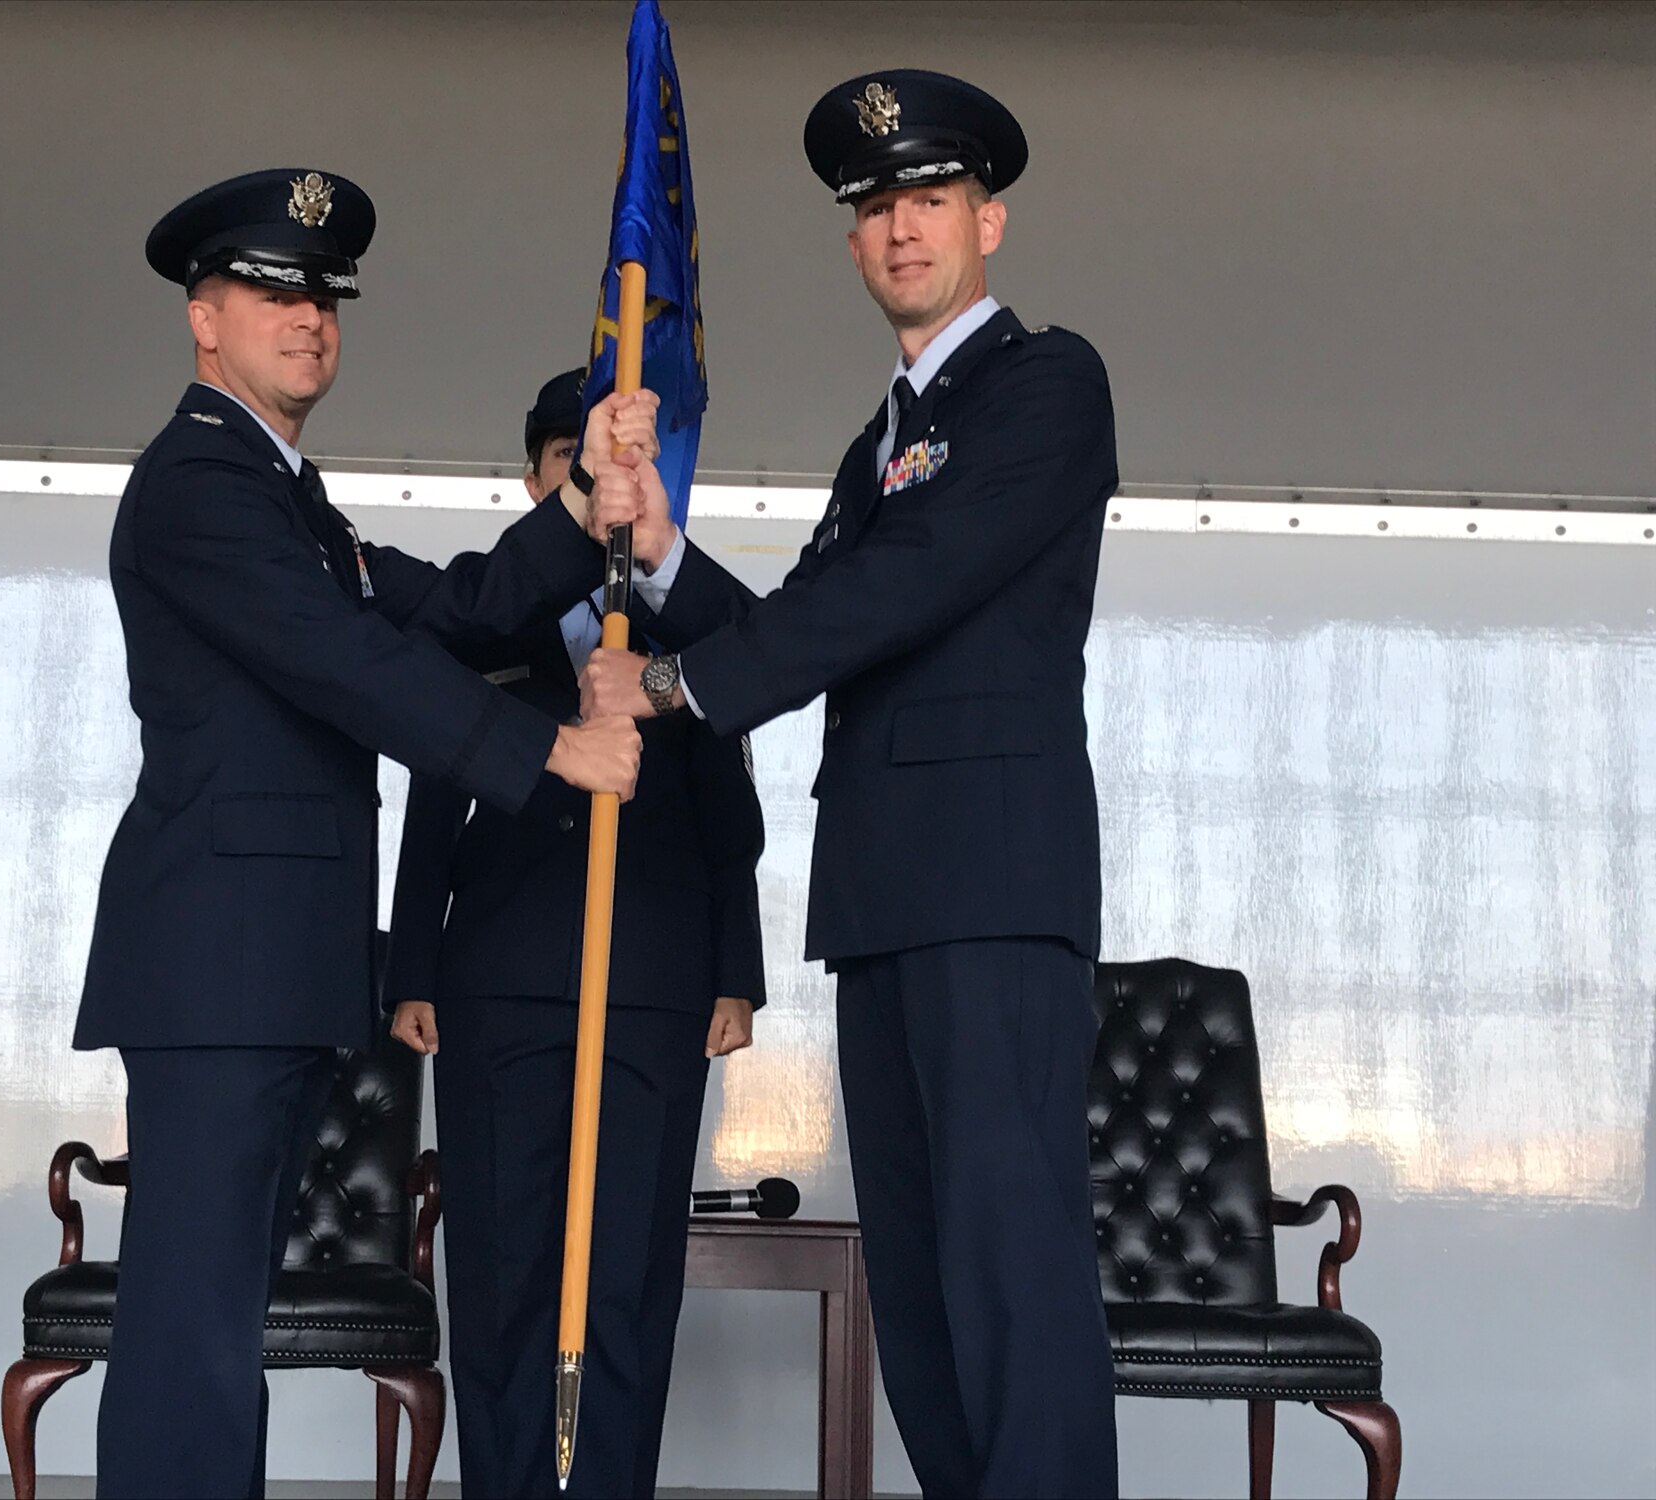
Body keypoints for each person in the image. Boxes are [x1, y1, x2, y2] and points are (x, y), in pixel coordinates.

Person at [71, 168, 659, 1500]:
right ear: (202, 320)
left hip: (266, 969)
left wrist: (582, 502)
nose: (309, 318)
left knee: (217, 1318)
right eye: (272, 293)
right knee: (193, 1329)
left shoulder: (284, 496)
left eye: (325, 298)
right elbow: (347, 664)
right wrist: (547, 750)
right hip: (216, 968)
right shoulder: (198, 483)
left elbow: (444, 612)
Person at [579, 72, 1121, 1499]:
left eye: (930, 199)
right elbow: (811, 619)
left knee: (1010, 1273)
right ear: (851, 242)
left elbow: (909, 585)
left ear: (988, 222)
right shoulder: (872, 447)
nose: (901, 228)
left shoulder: (1045, 385)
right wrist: (664, 558)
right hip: (882, 903)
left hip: (992, 892)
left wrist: (675, 687)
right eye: (875, 208)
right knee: (926, 1292)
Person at [385, 368, 765, 1499]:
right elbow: (432, 798)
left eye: (623, 464)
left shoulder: (684, 630)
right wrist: (412, 966)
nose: (602, 483)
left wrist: (736, 973)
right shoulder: (484, 615)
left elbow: (730, 818)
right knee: (502, 1270)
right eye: (574, 461)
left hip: (651, 985)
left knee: (624, 1277)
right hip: (498, 984)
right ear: (538, 478)